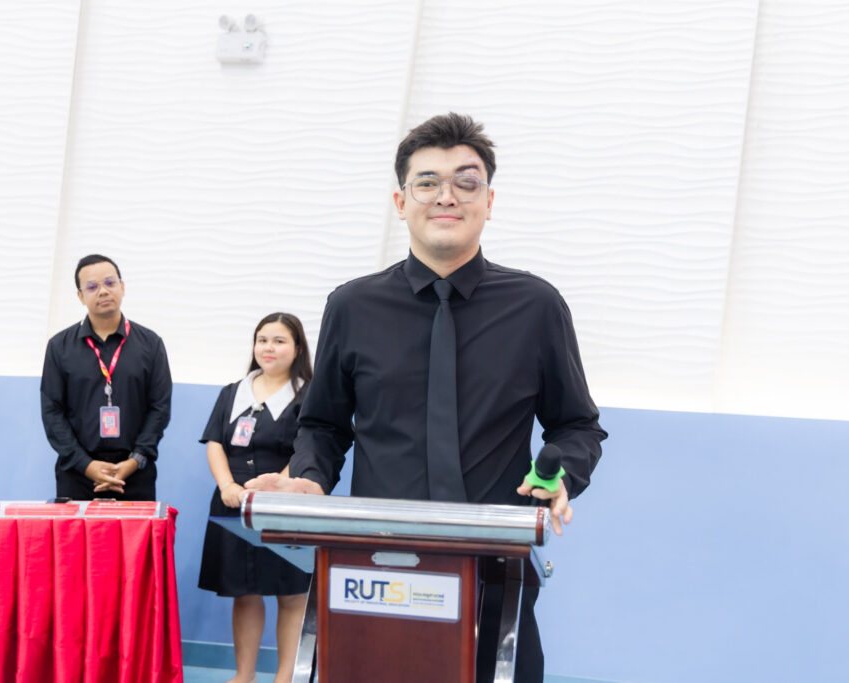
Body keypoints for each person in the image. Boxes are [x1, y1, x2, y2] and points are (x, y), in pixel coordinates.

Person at [246, 113, 606, 682]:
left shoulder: (536, 307)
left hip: (496, 575)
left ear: (489, 201)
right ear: (401, 201)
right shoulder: (352, 307)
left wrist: (564, 476)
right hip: (373, 573)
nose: (447, 196)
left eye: (466, 182)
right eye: (428, 182)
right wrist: (310, 479)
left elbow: (578, 426)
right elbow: (324, 425)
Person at [199, 313, 314, 683]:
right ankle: (244, 675)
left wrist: (277, 486)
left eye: (279, 341)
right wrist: (227, 486)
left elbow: (309, 450)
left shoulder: (309, 395)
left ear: (297, 348)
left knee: (291, 593)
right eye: (262, 339)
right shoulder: (233, 392)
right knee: (244, 592)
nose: (269, 348)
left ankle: (284, 677)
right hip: (234, 505)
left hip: (285, 507)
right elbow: (215, 442)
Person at [41, 254, 172, 500]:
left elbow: (160, 408)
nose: (103, 291)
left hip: (134, 474)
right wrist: (86, 465)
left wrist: (134, 460)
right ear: (80, 296)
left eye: (110, 283)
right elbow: (52, 412)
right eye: (92, 287)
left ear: (122, 287)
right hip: (78, 475)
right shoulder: (59, 347)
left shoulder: (150, 344)